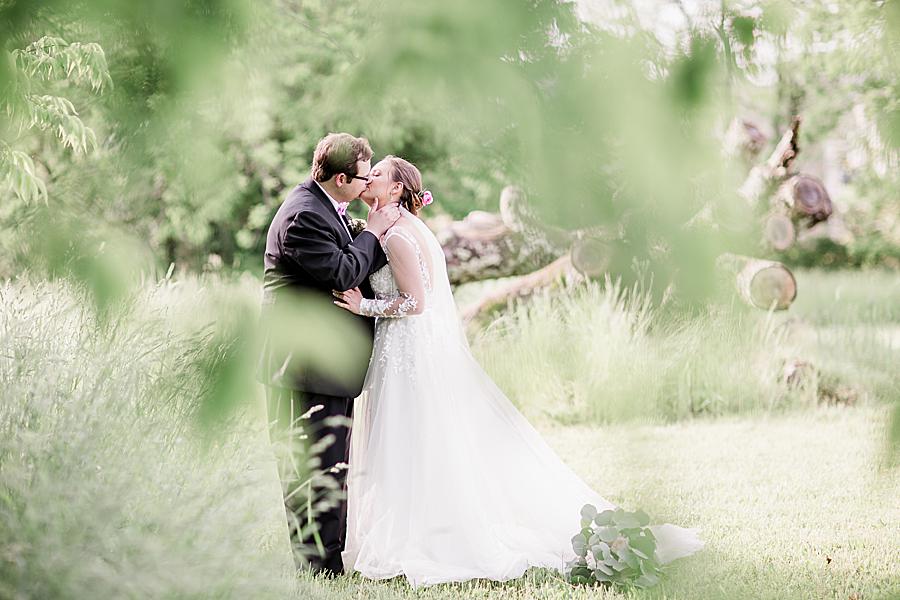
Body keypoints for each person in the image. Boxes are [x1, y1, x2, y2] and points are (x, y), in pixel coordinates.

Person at [333, 155, 703, 587]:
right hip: (406, 350)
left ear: (396, 190)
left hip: (405, 352)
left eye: (376, 173)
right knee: (416, 439)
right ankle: (421, 524)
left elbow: (418, 303)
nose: (368, 176)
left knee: (409, 438)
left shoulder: (397, 237)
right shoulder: (397, 229)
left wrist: (364, 305)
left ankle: (424, 535)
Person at [258, 133, 400, 574]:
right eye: (362, 176)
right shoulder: (303, 216)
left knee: (330, 464)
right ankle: (317, 568)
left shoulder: (324, 207)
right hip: (302, 366)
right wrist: (375, 232)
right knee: (310, 470)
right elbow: (342, 272)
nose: (366, 185)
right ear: (341, 178)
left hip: (323, 365)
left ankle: (328, 562)